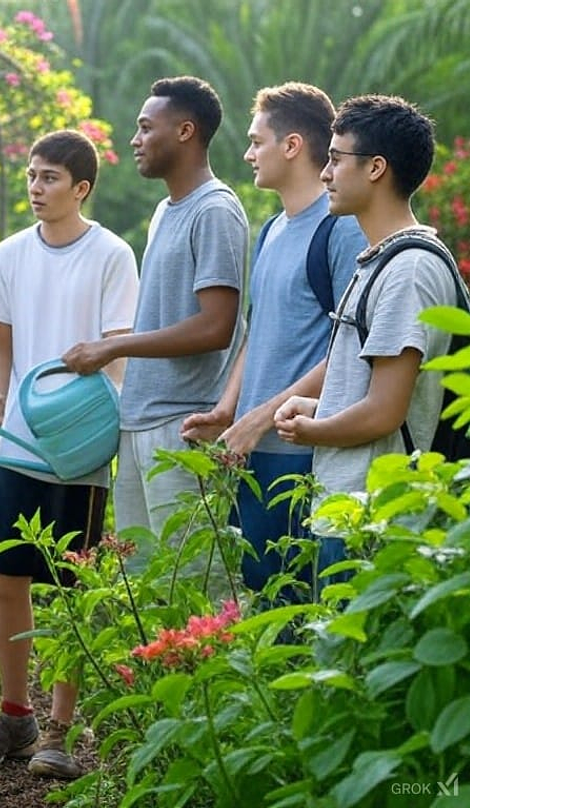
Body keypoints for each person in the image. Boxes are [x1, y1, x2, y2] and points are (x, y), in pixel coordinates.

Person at [0, 130, 139, 780]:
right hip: (17, 446)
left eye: (50, 177)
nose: (36, 187)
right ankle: (14, 716)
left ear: (81, 187)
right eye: (32, 175)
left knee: (69, 591)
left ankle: (58, 729)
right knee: (7, 580)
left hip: (79, 448)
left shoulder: (112, 254)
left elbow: (117, 350)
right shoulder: (9, 254)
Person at [180, 82, 367, 602]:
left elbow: (349, 349)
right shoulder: (270, 231)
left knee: (299, 602)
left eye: (257, 140)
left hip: (297, 449)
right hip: (252, 449)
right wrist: (227, 411)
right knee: (262, 594)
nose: (247, 153)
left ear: (292, 146)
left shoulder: (339, 229)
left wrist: (263, 417)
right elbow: (257, 333)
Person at [62, 76, 247, 587]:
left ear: (185, 131)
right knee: (148, 587)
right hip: (140, 421)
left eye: (146, 128)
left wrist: (113, 346)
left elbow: (217, 326)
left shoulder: (215, 210)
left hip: (183, 427)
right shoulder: (166, 211)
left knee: (195, 589)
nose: (134, 139)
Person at [272, 95, 462, 498]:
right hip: (349, 506)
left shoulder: (409, 269)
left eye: (336, 159)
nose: (324, 174)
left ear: (376, 167)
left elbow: (383, 412)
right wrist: (316, 409)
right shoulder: (378, 261)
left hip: (376, 514)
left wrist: (313, 430)